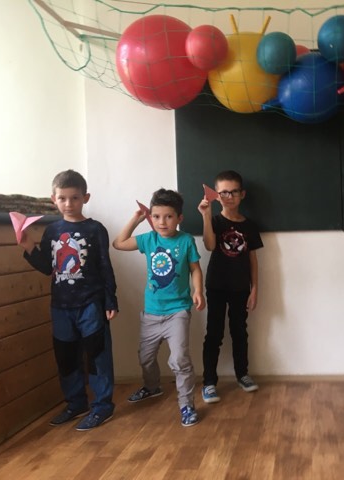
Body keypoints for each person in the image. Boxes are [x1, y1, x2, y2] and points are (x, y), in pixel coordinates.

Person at [18, 169, 118, 431]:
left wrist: (110, 300)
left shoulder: (95, 229)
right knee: (66, 357)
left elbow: (105, 266)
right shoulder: (52, 230)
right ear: (54, 199)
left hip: (91, 304)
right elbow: (46, 267)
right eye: (62, 198)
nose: (68, 204)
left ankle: (103, 406)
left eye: (74, 198)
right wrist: (28, 245)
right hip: (61, 306)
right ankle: (76, 404)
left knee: (97, 356)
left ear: (86, 198)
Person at [113, 188, 205, 427]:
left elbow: (195, 269)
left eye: (168, 216)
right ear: (150, 217)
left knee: (180, 359)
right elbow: (118, 243)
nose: (162, 222)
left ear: (179, 218)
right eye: (156, 216)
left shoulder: (186, 241)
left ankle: (186, 405)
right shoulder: (148, 239)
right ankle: (152, 387)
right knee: (145, 358)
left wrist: (198, 291)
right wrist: (136, 219)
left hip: (178, 312)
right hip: (151, 313)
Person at [197, 170, 263, 404]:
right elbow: (209, 245)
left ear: (242, 194)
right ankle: (209, 382)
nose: (229, 196)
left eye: (234, 192)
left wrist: (254, 288)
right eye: (223, 192)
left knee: (239, 332)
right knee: (214, 334)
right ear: (216, 195)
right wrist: (206, 216)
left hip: (240, 287)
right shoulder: (215, 221)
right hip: (216, 285)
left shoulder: (250, 226)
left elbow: (253, 259)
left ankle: (242, 374)